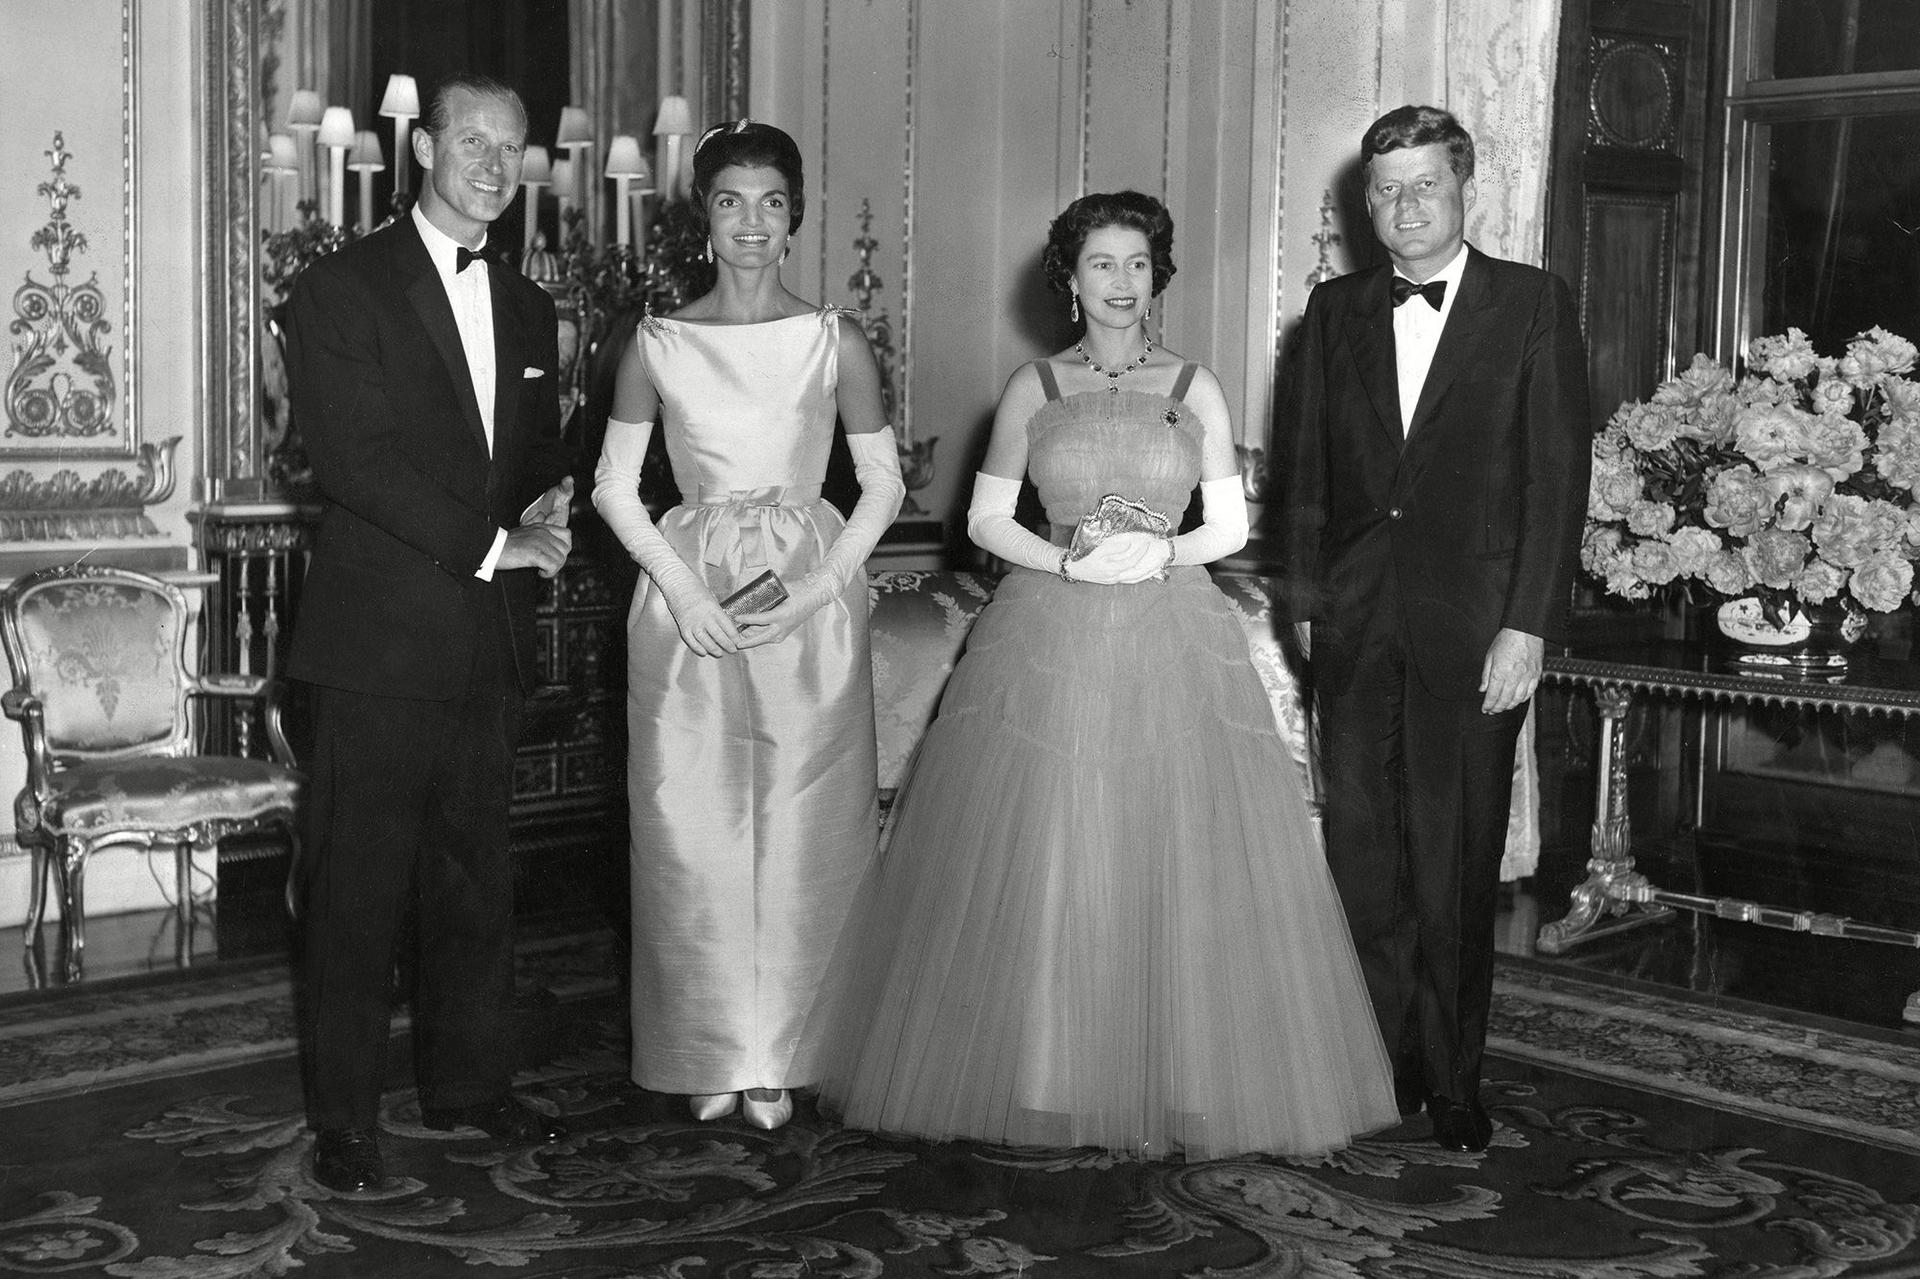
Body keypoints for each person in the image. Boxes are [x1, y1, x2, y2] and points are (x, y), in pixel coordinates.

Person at [810, 191, 1398, 1161]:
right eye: (1100, 265)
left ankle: (1180, 1071)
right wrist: (1073, 564)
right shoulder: (1034, 387)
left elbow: (1234, 526)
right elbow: (990, 521)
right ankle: (1055, 1072)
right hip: (1053, 633)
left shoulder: (1195, 385)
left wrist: (1156, 557)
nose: (1120, 284)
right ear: (1068, 280)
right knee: (1061, 844)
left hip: (1175, 633)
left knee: (1172, 843)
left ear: (1156, 274)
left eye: (1136, 264)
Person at [1277, 105, 1591, 1152]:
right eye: (1386, 189)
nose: (1405, 206)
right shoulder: (1332, 311)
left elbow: (1557, 482)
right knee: (1363, 860)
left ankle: (1455, 1083)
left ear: (1466, 192)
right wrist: (1311, 608)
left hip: (1478, 632)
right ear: (1364, 205)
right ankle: (1379, 1069)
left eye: (1425, 186)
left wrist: (1529, 627)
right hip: (1357, 627)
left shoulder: (1532, 304)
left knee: (1454, 860)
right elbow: (1308, 481)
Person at [285, 73, 576, 1193]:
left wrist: (549, 508)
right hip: (377, 641)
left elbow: (537, 453)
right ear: (423, 147)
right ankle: (345, 1121)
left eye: (512, 147)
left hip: (484, 640)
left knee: (475, 878)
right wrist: (496, 545)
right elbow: (355, 463)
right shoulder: (339, 289)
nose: (494, 165)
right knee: (358, 887)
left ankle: (469, 1083)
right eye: (472, 141)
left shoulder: (532, 306)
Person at [591, 120, 904, 1133]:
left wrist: (816, 591)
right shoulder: (656, 342)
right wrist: (684, 594)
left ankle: (786, 1052)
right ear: (706, 216)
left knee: (808, 830)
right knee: (693, 830)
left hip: (807, 599)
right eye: (732, 201)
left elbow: (884, 485)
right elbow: (612, 490)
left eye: (772, 202)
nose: (753, 223)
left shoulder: (833, 338)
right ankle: (713, 1043)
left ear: (795, 213)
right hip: (688, 604)